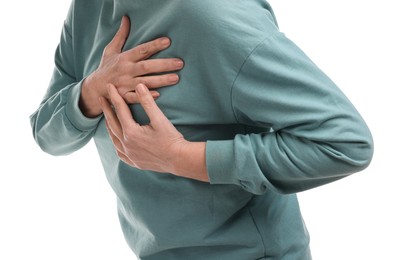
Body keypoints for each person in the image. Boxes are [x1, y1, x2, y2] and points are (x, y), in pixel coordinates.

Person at [30, 0, 373, 259]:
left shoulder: (215, 17)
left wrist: (178, 157)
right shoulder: (87, 8)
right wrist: (90, 91)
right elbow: (46, 135)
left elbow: (346, 143)